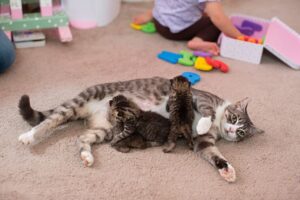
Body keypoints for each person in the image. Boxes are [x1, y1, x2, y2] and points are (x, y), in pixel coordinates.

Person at [133, 0, 243, 55]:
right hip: (180, 31)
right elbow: (217, 18)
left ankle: (150, 14)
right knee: (217, 24)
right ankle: (197, 41)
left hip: (159, 23)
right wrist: (240, 37)